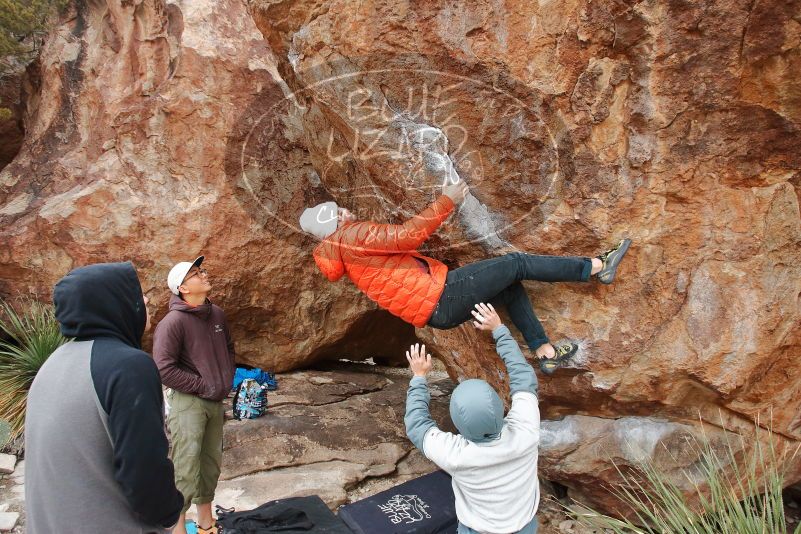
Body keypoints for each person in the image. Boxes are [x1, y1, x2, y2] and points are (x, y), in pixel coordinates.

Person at [300, 181, 631, 374]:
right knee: (516, 263)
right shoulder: (353, 235)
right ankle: (596, 267)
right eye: (339, 210)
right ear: (335, 220)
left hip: (436, 311)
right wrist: (449, 200)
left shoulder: (343, 252)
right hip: (441, 295)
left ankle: (544, 352)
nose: (346, 210)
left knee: (509, 284)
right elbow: (408, 235)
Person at [25, 262, 184, 534]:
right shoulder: (128, 366)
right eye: (137, 293)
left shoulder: (52, 363)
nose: (145, 299)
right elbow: (145, 478)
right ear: (114, 303)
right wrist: (172, 510)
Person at [405, 302, 541, 533]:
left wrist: (419, 377)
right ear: (499, 407)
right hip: (524, 526)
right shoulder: (526, 430)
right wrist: (499, 330)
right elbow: (523, 378)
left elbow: (417, 425)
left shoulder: (456, 455)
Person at [153, 256, 236, 534]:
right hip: (188, 402)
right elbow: (163, 368)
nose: (204, 275)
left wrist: (224, 379)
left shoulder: (217, 314)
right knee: (186, 465)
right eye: (196, 274)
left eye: (202, 271)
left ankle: (205, 524)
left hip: (214, 400)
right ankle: (177, 529)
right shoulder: (173, 322)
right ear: (183, 288)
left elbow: (229, 348)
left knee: (210, 463)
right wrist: (204, 385)